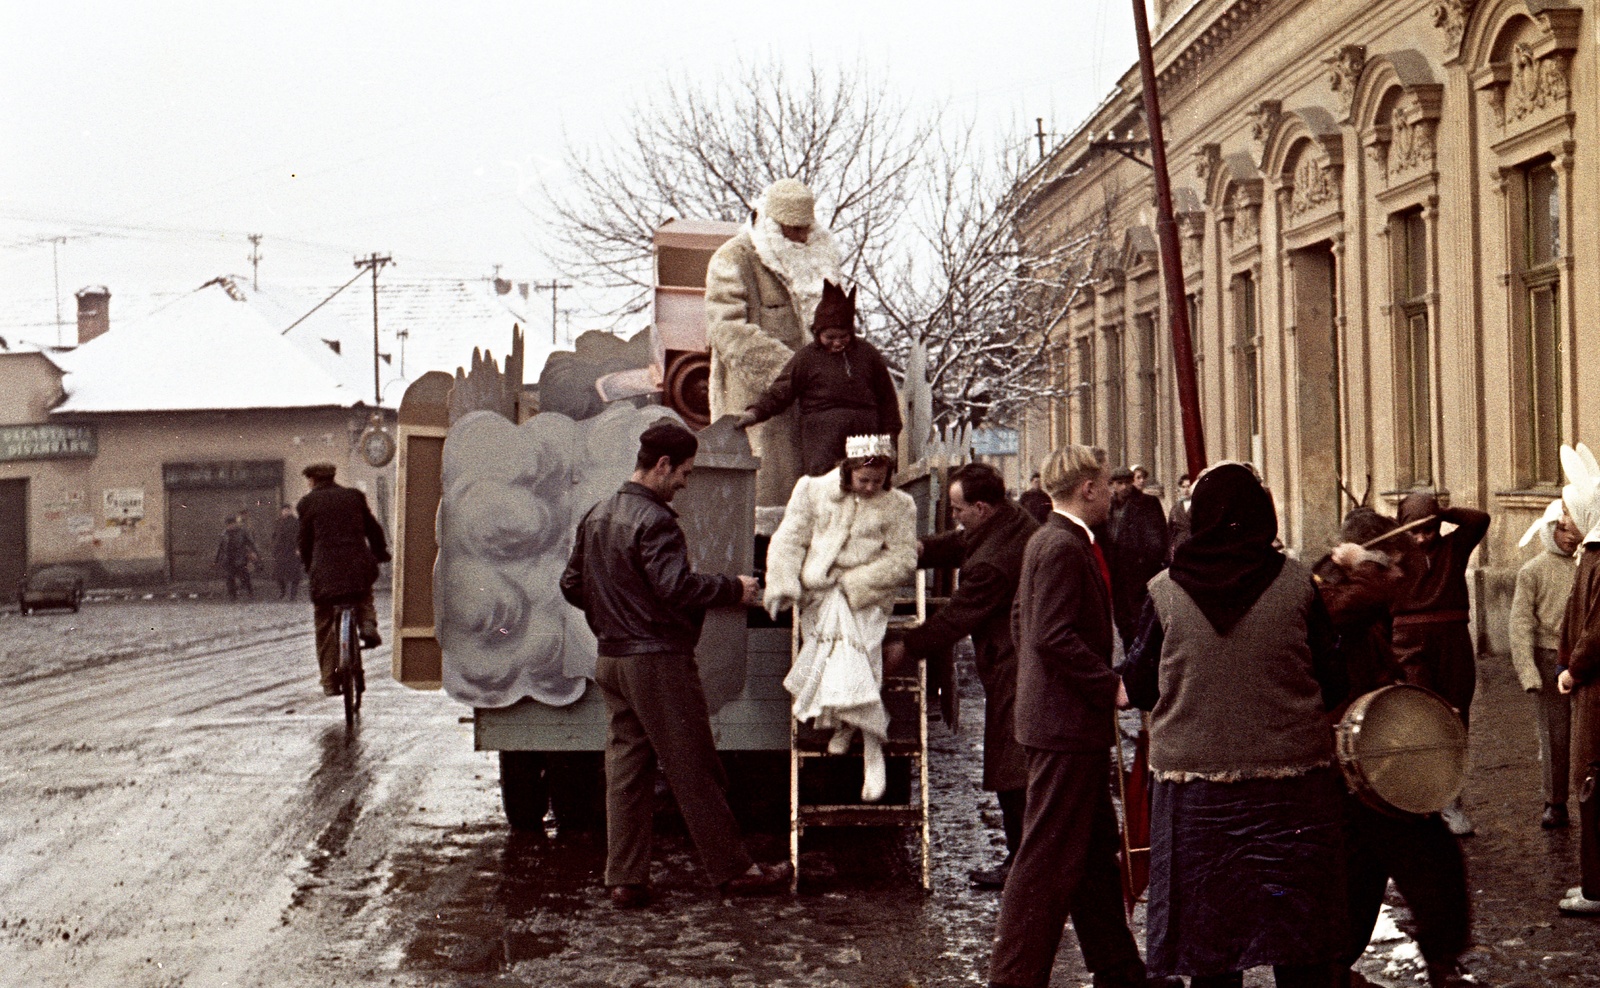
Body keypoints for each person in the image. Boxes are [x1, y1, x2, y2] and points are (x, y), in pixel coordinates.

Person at [1119, 462, 1347, 988]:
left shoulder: (1164, 593)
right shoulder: (1298, 585)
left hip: (1198, 798)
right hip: (1292, 791)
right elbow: (1334, 680)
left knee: (1210, 951)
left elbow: (1141, 686)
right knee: (1301, 946)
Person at [559, 422, 789, 907]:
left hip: (613, 659)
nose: (684, 482)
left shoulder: (598, 514)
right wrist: (734, 588)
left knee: (627, 770)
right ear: (662, 465)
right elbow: (675, 587)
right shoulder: (656, 520)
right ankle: (735, 871)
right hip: (658, 661)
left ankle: (624, 879)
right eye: (683, 472)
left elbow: (571, 584)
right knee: (695, 768)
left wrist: (612, 614)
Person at [987, 445, 1176, 988]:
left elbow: (1029, 626)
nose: (1112, 496)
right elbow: (1051, 636)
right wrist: (1109, 686)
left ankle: (1118, 969)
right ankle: (1015, 977)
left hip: (1062, 722)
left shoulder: (1055, 540)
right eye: (1104, 485)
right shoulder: (1062, 546)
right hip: (1064, 727)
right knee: (1045, 858)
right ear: (1088, 488)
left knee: (1094, 853)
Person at [1314, 508, 1474, 988]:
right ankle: (1336, 968)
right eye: (1390, 561)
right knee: (1400, 866)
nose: (1400, 572)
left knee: (1393, 868)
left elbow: (1396, 589)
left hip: (1371, 754)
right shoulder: (1327, 589)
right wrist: (1365, 566)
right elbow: (1361, 601)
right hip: (1350, 759)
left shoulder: (1344, 582)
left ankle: (1435, 963)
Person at [885, 462, 1036, 887]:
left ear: (983, 507)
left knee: (1013, 765)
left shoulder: (994, 561)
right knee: (1015, 760)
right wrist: (919, 550)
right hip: (1018, 659)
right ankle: (1025, 857)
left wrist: (906, 648)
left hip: (1014, 663)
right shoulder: (1009, 520)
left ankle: (1021, 862)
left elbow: (957, 618)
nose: (955, 517)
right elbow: (961, 542)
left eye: (958, 509)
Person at [764, 434, 917, 802]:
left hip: (866, 595)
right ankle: (850, 726)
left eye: (877, 482)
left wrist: (855, 583)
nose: (869, 488)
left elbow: (903, 558)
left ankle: (871, 745)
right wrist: (782, 584)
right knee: (835, 659)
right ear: (847, 472)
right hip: (820, 594)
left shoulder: (900, 505)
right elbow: (789, 540)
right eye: (863, 481)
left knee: (863, 654)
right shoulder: (812, 491)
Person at [705, 178, 843, 507]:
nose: (802, 237)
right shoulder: (733, 259)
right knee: (765, 508)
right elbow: (727, 331)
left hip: (818, 412)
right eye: (793, 229)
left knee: (817, 510)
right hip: (761, 412)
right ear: (773, 224)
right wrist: (798, 373)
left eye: (806, 228)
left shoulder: (821, 255)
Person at [1391, 490, 1490, 836]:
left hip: (1453, 641)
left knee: (1455, 714)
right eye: (1414, 531)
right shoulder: (1394, 554)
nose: (1421, 538)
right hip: (1408, 644)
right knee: (1421, 715)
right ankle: (1422, 801)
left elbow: (1480, 519)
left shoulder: (1453, 548)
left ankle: (1451, 799)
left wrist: (1440, 512)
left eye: (1428, 530)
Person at [735, 279, 902, 476]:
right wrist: (755, 413)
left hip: (867, 434)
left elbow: (887, 400)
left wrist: (890, 436)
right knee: (825, 486)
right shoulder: (807, 358)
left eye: (844, 336)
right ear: (817, 333)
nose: (838, 343)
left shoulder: (867, 354)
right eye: (830, 337)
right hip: (823, 437)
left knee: (867, 482)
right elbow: (781, 391)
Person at [1510, 500, 1580, 829]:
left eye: (1575, 527)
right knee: (1555, 735)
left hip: (1584, 658)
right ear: (1550, 529)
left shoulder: (1588, 566)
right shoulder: (1532, 571)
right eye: (1563, 529)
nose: (1570, 536)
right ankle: (1555, 801)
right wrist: (1529, 672)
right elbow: (1520, 624)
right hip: (1549, 657)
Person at [297, 463, 388, 697]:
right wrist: (380, 553)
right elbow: (373, 529)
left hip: (325, 571)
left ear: (313, 480)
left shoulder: (307, 503)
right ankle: (367, 624)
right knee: (364, 595)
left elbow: (304, 542)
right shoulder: (354, 497)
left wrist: (310, 567)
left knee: (325, 623)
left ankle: (329, 681)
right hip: (357, 565)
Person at [1558, 447, 1600, 915]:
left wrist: (1574, 668)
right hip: (1589, 687)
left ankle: (1597, 887)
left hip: (1596, 691)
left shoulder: (1599, 558)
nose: (1564, 518)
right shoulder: (1590, 554)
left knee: (1593, 782)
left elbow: (1596, 630)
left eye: (1570, 509)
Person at [1107, 465, 1169, 647]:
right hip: (1117, 573)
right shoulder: (1109, 506)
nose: (1124, 487)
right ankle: (1129, 657)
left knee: (1141, 621)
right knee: (1123, 621)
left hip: (1140, 573)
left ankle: (1140, 661)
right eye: (1120, 483)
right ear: (1112, 485)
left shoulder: (1147, 503)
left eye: (1127, 482)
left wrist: (1147, 562)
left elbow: (1157, 538)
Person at [215, 514, 259, 600]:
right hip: (229, 558)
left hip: (240, 557)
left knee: (244, 576)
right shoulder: (224, 534)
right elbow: (221, 547)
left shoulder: (242, 532)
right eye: (229, 524)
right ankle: (232, 595)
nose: (230, 526)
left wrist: (254, 553)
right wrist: (217, 560)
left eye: (232, 524)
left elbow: (250, 543)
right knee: (229, 577)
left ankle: (250, 591)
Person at [272, 504, 303, 600]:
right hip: (280, 550)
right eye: (284, 510)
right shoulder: (278, 522)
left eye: (287, 510)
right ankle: (282, 591)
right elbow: (274, 535)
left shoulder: (296, 522)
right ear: (281, 511)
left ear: (290, 511)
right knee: (279, 574)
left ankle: (293, 595)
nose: (286, 512)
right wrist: (274, 546)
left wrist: (299, 549)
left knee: (294, 574)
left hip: (292, 550)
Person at [1167, 474, 1192, 563]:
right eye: (1183, 487)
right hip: (1179, 545)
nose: (1186, 490)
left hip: (1194, 543)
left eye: (1189, 486)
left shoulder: (1199, 505)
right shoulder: (1175, 508)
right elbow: (1170, 531)